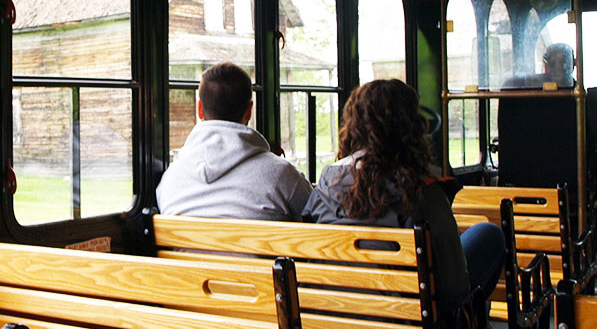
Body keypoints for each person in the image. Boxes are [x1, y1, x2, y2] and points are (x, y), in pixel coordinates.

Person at [302, 79, 504, 323]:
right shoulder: (423, 192)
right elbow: (454, 291)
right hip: (409, 316)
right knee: (488, 234)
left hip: (336, 309)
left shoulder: (325, 185)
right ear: (412, 128)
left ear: (354, 126)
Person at [156, 62, 312, 220]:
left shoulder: (170, 178)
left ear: (200, 109)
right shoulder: (282, 175)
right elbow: (316, 218)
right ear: (249, 111)